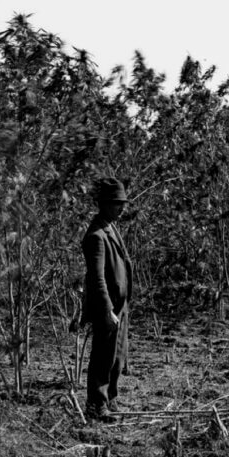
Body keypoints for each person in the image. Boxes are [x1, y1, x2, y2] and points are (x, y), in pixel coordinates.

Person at [80, 177, 133, 421]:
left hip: (120, 306)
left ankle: (110, 399)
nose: (121, 208)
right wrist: (108, 310)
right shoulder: (96, 236)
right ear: (103, 204)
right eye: (116, 203)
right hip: (108, 308)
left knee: (117, 356)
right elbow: (97, 279)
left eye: (122, 203)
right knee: (103, 357)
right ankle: (96, 406)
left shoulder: (110, 227)